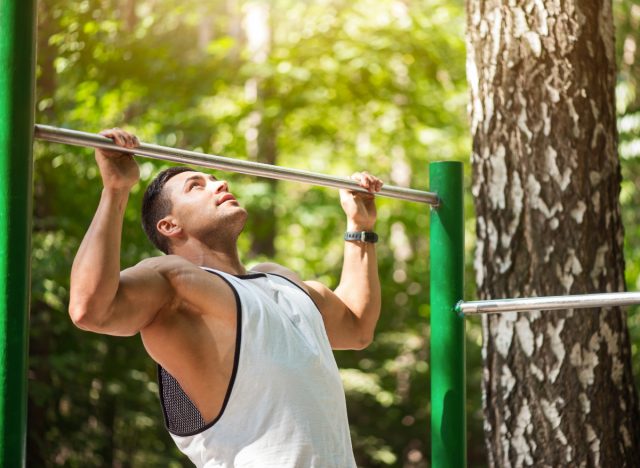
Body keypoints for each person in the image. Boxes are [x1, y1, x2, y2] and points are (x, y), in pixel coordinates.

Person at [69, 127, 382, 467]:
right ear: (169, 225)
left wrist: (359, 226)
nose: (220, 185)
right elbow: (90, 309)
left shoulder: (281, 280)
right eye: (196, 186)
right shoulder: (175, 282)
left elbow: (357, 326)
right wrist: (115, 191)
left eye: (215, 178)